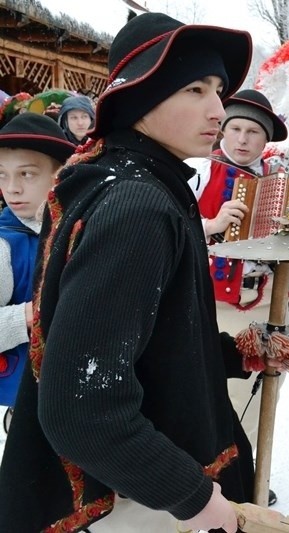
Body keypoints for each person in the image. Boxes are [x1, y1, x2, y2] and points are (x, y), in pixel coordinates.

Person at [0, 12, 257, 533]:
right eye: (194, 89)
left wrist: (233, 355)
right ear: (140, 94)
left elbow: (139, 343)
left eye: (219, 90)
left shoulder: (135, 180)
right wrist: (192, 497)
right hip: (129, 502)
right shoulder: (137, 204)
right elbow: (83, 409)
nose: (217, 109)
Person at [0, 113, 74, 433]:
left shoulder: (76, 230)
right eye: (2, 175)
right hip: (16, 399)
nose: (12, 189)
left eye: (27, 174)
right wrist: (28, 315)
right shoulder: (4, 245)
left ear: (60, 174)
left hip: (71, 390)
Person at [187, 89, 288, 307]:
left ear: (266, 140)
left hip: (264, 299)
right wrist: (211, 225)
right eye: (235, 129)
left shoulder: (280, 183)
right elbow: (169, 225)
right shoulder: (198, 167)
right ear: (223, 130)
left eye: (253, 131)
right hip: (204, 297)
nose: (242, 139)